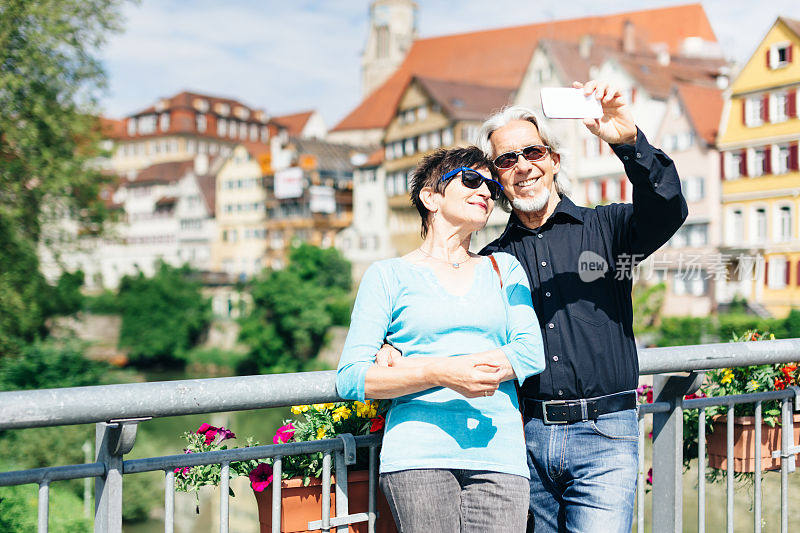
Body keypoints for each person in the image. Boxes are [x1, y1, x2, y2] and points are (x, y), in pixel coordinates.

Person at [474, 80, 688, 533]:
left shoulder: (606, 228)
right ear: (496, 177)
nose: (523, 167)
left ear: (553, 160)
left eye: (532, 152)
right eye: (507, 160)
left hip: (606, 435)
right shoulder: (490, 260)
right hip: (525, 439)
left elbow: (668, 208)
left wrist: (628, 143)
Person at [336, 146, 546, 533]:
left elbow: (530, 354)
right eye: (470, 180)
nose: (485, 191)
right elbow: (352, 377)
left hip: (499, 457)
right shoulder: (387, 276)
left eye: (491, 187)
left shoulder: (504, 268)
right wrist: (442, 372)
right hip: (418, 455)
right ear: (430, 197)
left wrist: (410, 365)